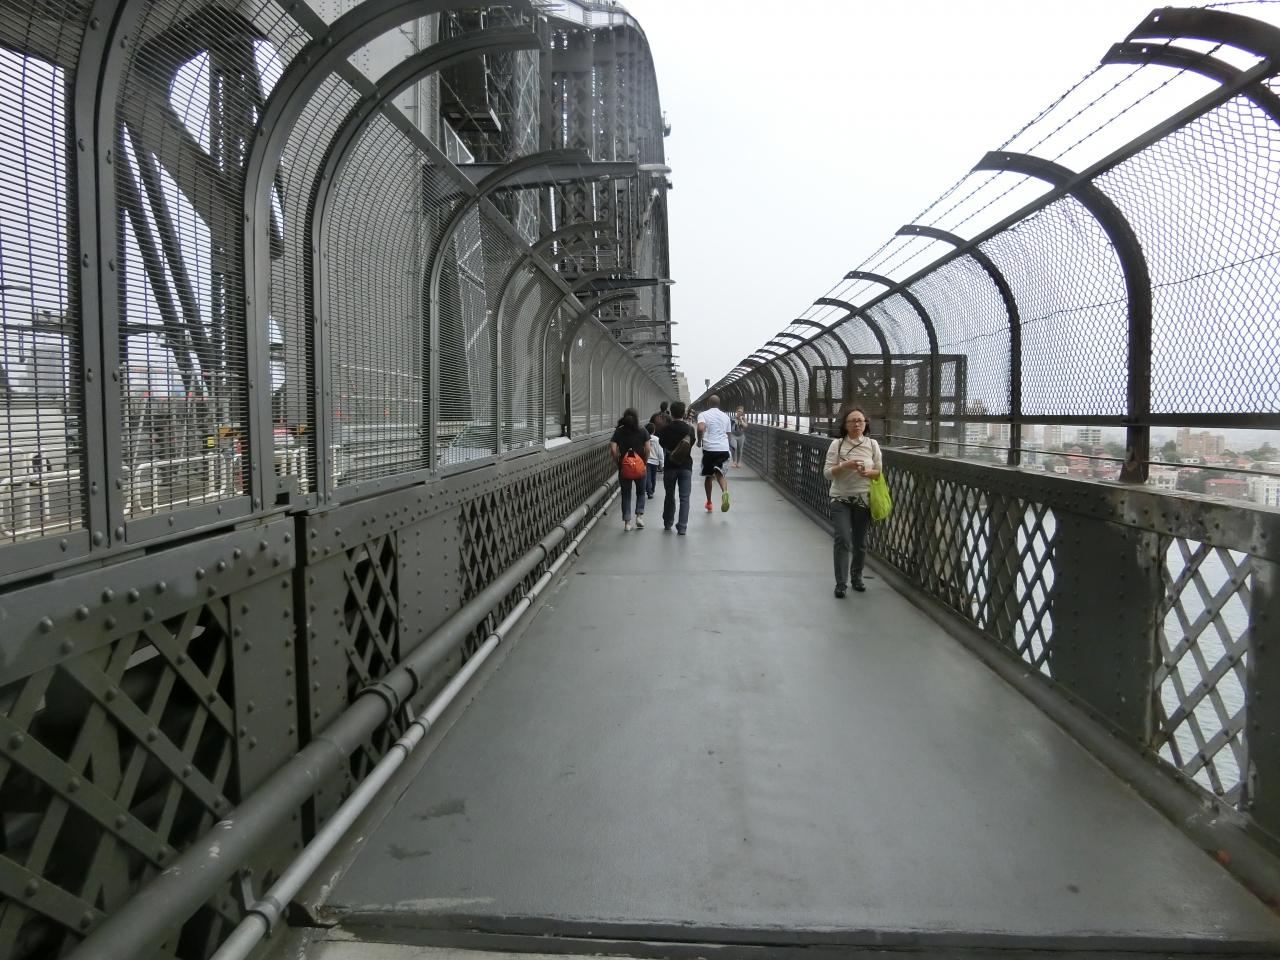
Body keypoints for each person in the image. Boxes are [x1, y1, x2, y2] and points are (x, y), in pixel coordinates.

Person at [823, 405, 882, 597]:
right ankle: (841, 583)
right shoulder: (837, 445)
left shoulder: (872, 445)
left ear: (865, 424)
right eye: (853, 421)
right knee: (843, 539)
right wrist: (844, 466)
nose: (857, 424)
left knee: (860, 542)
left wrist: (869, 472)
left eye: (860, 421)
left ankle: (856, 577)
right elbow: (827, 474)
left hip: (863, 499)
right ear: (845, 425)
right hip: (840, 498)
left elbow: (879, 472)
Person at [658, 400, 697, 534]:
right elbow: (691, 443)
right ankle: (682, 526)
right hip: (686, 466)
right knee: (684, 497)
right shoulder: (689, 429)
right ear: (683, 413)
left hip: (670, 466)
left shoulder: (665, 429)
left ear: (672, 413)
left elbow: (662, 443)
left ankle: (668, 522)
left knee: (669, 495)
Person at [610, 408, 650, 531]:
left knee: (626, 494)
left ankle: (627, 523)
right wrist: (644, 462)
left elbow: (613, 449)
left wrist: (618, 461)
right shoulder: (642, 430)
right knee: (640, 492)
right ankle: (639, 516)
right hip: (639, 466)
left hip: (625, 467)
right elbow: (648, 448)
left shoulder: (619, 431)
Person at [696, 395, 733, 512]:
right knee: (720, 474)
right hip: (723, 448)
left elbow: (700, 428)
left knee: (708, 476)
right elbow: (728, 434)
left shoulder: (703, 414)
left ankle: (709, 503)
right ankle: (725, 493)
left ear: (708, 403)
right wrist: (727, 447)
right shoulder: (726, 417)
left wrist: (699, 441)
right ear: (719, 404)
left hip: (709, 449)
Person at [644, 420, 664, 498]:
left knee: (647, 476)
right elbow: (660, 452)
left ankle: (649, 491)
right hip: (655, 461)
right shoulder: (657, 439)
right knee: (653, 477)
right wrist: (661, 464)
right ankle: (652, 490)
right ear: (654, 431)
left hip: (647, 460)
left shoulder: (644, 439)